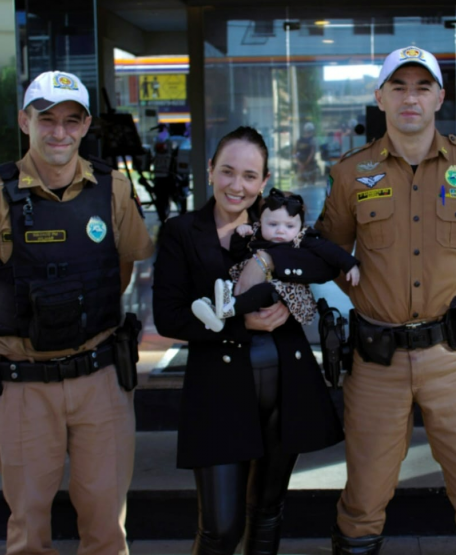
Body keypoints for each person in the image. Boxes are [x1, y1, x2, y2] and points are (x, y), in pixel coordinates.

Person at [317, 46, 456, 555]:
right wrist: (373, 299)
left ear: (439, 98)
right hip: (377, 361)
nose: (411, 98)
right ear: (380, 97)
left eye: (422, 88)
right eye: (399, 87)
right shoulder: (351, 172)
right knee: (363, 498)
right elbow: (332, 256)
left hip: (455, 359)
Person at [0, 70, 154, 555]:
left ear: (85, 126)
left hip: (99, 379)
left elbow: (121, 268)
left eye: (71, 121)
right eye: (46, 119)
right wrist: (20, 327)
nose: (59, 132)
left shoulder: (114, 189)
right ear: (25, 122)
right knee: (28, 530)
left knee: (106, 527)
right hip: (22, 384)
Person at [152, 126, 345, 555]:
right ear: (210, 170)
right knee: (221, 528)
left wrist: (271, 260)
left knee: (267, 511)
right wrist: (243, 325)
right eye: (227, 171)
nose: (237, 185)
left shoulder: (279, 225)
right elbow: (168, 316)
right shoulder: (182, 232)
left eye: (249, 176)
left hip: (285, 386)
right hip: (218, 390)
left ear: (264, 180)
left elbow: (322, 263)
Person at [192, 188, 360, 332]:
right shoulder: (256, 233)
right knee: (224, 282)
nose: (280, 231)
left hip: (282, 289)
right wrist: (240, 236)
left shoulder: (302, 238)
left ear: (300, 225)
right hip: (246, 283)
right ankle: (214, 310)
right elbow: (238, 254)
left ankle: (229, 308)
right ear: (261, 222)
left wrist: (349, 264)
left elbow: (329, 250)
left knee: (264, 291)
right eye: (273, 224)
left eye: (289, 226)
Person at [294, 122, 319, 186]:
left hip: (303, 165)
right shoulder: (312, 140)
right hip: (309, 165)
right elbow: (312, 153)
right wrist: (304, 164)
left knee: (302, 184)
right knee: (309, 184)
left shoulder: (299, 140)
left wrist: (300, 164)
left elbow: (295, 153)